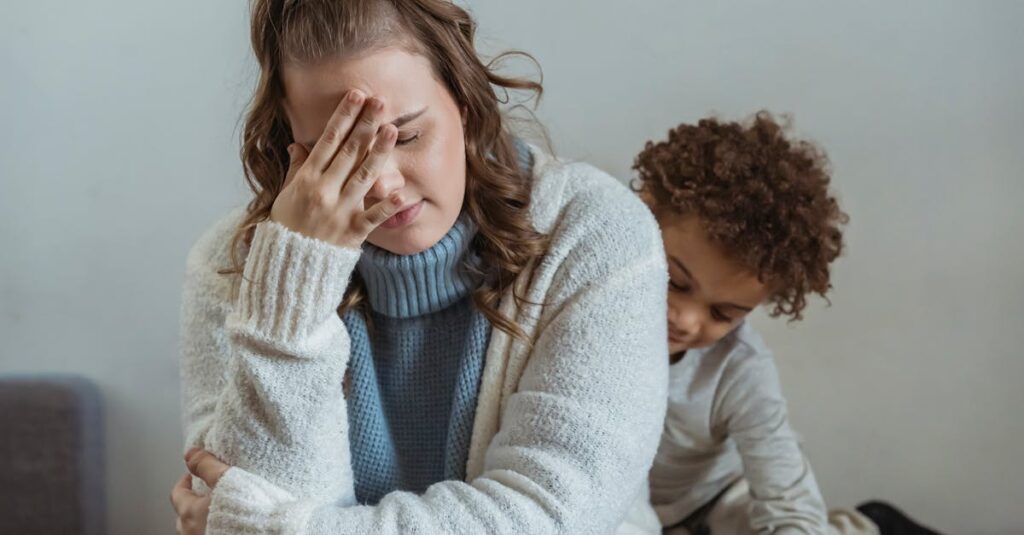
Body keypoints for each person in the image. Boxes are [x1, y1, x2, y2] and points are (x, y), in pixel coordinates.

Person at [168, 1, 669, 533]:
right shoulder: (233, 264)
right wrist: (295, 280)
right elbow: (247, 487)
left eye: (405, 136)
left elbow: (552, 517)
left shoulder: (596, 234)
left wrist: (278, 530)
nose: (383, 185)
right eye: (335, 155)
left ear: (466, 101)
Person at [634, 113, 941, 535]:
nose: (685, 320)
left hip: (715, 499)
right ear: (641, 213)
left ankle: (871, 525)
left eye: (722, 314)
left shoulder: (739, 368)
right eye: (676, 281)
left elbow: (785, 493)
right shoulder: (582, 305)